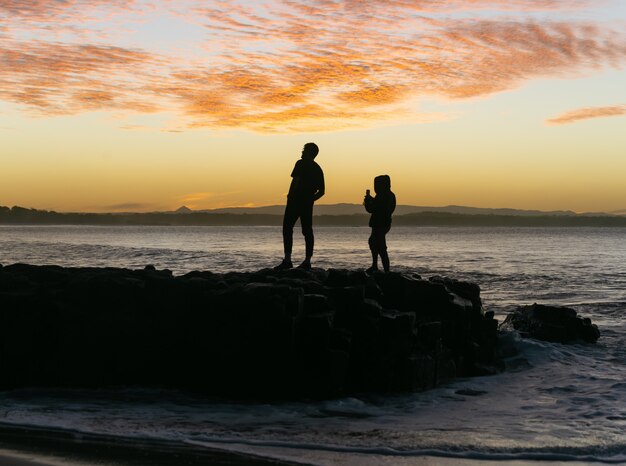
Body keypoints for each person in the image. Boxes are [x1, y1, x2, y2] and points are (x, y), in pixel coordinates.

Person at [275, 143, 325, 270]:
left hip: (295, 201)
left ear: (309, 152)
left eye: (304, 150)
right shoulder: (318, 169)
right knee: (307, 231)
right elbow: (322, 191)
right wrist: (310, 199)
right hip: (307, 203)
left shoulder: (300, 163)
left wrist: (290, 196)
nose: (301, 152)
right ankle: (307, 261)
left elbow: (295, 180)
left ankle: (287, 260)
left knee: (287, 228)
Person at [363, 175, 396, 273]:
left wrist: (369, 202)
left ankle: (385, 270)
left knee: (380, 246)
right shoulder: (385, 195)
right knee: (373, 243)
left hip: (381, 224)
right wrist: (370, 201)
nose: (376, 187)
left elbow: (374, 209)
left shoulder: (386, 196)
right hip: (380, 223)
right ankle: (375, 266)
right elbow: (374, 208)